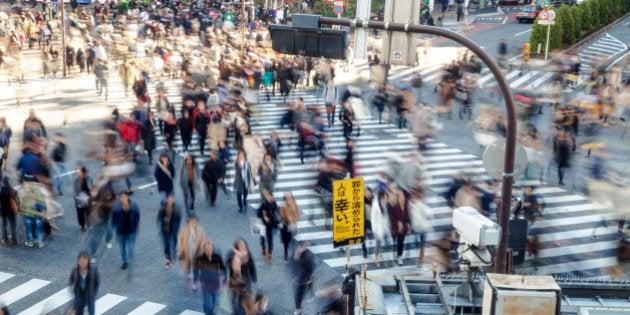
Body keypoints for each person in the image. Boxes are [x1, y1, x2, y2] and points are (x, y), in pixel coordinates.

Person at [194, 237, 227, 315]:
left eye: (210, 247)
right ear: (204, 249)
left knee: (215, 299)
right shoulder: (200, 258)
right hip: (204, 281)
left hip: (215, 281)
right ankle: (208, 313)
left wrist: (224, 279)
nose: (209, 250)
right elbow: (196, 270)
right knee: (206, 299)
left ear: (212, 247)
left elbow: (223, 268)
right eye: (207, 248)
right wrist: (195, 281)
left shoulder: (217, 257)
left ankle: (212, 312)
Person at [111, 192, 141, 270]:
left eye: (125, 197)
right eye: (122, 197)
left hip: (131, 230)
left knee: (131, 247)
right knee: (122, 248)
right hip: (121, 232)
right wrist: (116, 226)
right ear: (120, 199)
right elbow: (113, 219)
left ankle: (130, 260)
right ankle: (125, 261)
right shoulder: (116, 208)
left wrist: (136, 224)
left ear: (127, 197)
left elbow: (137, 215)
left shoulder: (133, 205)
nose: (124, 199)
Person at [226, 238, 257, 310]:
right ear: (237, 246)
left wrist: (254, 277)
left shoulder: (248, 253)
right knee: (234, 296)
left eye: (244, 245)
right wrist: (234, 263)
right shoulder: (231, 253)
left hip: (246, 278)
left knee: (244, 296)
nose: (243, 246)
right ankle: (234, 308)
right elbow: (227, 263)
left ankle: (241, 309)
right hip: (235, 279)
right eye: (241, 245)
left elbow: (252, 265)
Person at [19, 175, 48, 248]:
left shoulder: (24, 189)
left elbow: (21, 201)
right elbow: (43, 201)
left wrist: (21, 210)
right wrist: (44, 210)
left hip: (27, 212)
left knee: (29, 228)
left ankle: (30, 242)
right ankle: (41, 243)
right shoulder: (39, 188)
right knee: (39, 228)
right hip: (37, 213)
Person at [177, 215, 205, 290]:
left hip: (196, 251)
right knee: (188, 265)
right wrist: (181, 248)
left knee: (195, 266)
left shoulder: (200, 230)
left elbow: (202, 240)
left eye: (194, 221)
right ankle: (189, 274)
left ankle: (194, 283)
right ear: (188, 222)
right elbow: (180, 239)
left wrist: (202, 249)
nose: (193, 223)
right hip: (187, 251)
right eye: (191, 221)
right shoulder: (184, 230)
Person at [157, 195, 181, 269]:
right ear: (166, 199)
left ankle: (174, 253)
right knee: (166, 244)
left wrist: (175, 227)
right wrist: (164, 219)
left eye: (172, 199)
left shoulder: (176, 208)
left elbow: (178, 219)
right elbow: (159, 218)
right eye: (169, 199)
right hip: (165, 229)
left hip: (173, 229)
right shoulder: (162, 209)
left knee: (174, 242)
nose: (170, 201)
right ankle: (168, 259)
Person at [258, 189, 280, 265]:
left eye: (269, 196)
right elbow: (258, 213)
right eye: (267, 196)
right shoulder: (263, 204)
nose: (268, 198)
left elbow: (276, 213)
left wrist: (271, 214)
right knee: (262, 238)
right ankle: (263, 247)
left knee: (270, 240)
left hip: (270, 225)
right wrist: (264, 217)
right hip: (263, 224)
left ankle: (269, 256)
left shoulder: (274, 204)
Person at [293, 241, 315, 315]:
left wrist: (309, 278)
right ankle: (299, 308)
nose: (297, 249)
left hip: (303, 279)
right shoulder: (300, 254)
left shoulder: (306, 258)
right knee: (299, 294)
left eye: (299, 248)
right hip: (301, 278)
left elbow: (309, 268)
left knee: (299, 294)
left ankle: (298, 309)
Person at [279, 192, 300, 260]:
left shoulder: (294, 204)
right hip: (285, 224)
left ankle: (292, 251)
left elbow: (297, 213)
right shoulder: (282, 205)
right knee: (285, 239)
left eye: (289, 197)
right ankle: (286, 252)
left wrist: (294, 220)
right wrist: (287, 218)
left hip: (292, 224)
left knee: (291, 238)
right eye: (287, 197)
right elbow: (281, 215)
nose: (288, 198)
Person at [0, 177, 18, 248]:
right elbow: (16, 200)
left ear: (3, 182)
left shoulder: (1, 190)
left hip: (3, 210)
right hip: (11, 211)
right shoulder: (13, 191)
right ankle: (14, 241)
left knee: (4, 225)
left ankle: (5, 239)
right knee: (13, 226)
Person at [73, 166, 92, 232]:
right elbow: (76, 191)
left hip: (87, 196)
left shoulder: (88, 178)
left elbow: (90, 187)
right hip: (79, 197)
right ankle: (82, 225)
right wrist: (80, 180)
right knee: (80, 212)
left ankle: (89, 222)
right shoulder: (76, 180)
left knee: (88, 211)